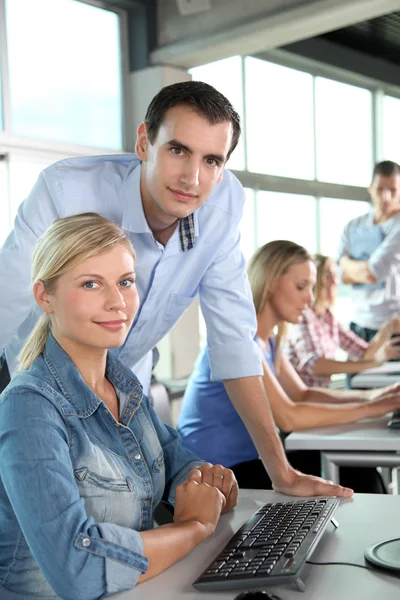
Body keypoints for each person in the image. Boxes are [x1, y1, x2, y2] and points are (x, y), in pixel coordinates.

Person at [0, 80, 351, 498]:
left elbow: (234, 340)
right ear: (145, 142)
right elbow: (9, 310)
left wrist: (282, 474)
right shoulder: (67, 192)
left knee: (130, 518)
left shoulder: (222, 207)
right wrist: (32, 417)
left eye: (212, 160)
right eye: (178, 150)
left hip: (125, 388)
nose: (192, 177)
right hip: (33, 380)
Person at [0, 213, 240, 600]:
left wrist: (208, 484)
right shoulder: (29, 408)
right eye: (91, 284)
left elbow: (178, 463)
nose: (117, 302)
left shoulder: (123, 384)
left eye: (125, 282)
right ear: (45, 296)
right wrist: (194, 525)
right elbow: (77, 571)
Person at [178, 240, 400, 491]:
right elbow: (289, 417)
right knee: (356, 474)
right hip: (211, 474)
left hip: (243, 463)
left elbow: (303, 393)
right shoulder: (240, 341)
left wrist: (372, 396)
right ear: (270, 282)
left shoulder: (270, 340)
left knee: (359, 470)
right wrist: (373, 408)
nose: (310, 298)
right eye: (301, 287)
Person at [287, 254, 400, 388]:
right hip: (306, 400)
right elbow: (313, 364)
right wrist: (373, 363)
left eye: (335, 275)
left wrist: (387, 329)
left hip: (321, 396)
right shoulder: (303, 316)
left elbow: (362, 354)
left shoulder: (328, 318)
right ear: (313, 281)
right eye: (328, 276)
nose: (335, 281)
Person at [338, 160, 400, 343]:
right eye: (380, 189)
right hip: (358, 325)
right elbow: (340, 276)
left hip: (391, 328)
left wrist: (345, 262)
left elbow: (373, 273)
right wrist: (348, 269)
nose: (386, 197)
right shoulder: (353, 225)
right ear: (370, 188)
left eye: (393, 190)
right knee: (354, 372)